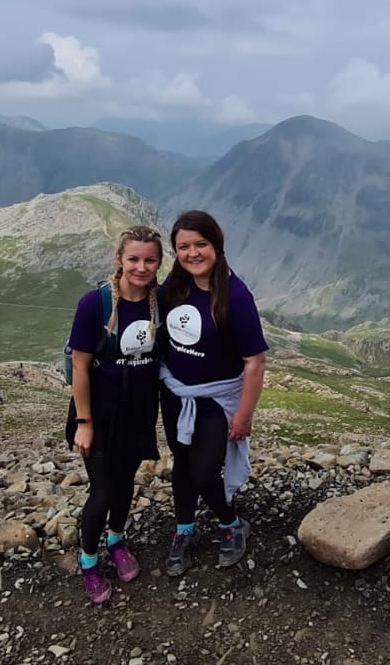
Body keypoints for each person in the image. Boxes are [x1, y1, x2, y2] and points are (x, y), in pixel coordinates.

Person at [157, 210, 269, 576]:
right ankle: (184, 530)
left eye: (200, 244)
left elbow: (255, 360)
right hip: (175, 393)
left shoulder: (235, 296)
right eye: (183, 247)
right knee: (183, 464)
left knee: (205, 472)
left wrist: (245, 415)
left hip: (216, 398)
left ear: (216, 246)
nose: (192, 253)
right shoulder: (174, 287)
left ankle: (231, 523)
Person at [66, 225, 165, 604]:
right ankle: (90, 562)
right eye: (133, 259)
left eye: (150, 259)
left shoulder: (161, 302)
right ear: (119, 260)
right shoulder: (95, 303)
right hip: (100, 414)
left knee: (124, 484)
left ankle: (117, 541)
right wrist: (84, 423)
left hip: (138, 411)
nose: (141, 267)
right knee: (103, 489)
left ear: (159, 262)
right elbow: (80, 367)